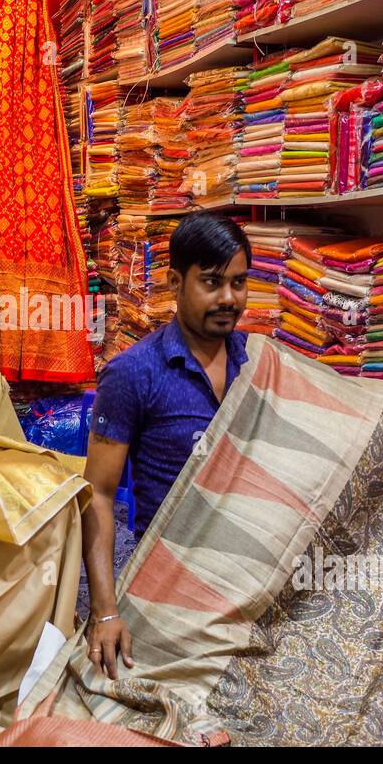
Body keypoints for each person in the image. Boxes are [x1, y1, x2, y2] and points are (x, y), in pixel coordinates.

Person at [83, 212, 250, 678]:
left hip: (250, 576)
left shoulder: (257, 363)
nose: (228, 299)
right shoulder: (134, 374)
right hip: (168, 578)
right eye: (212, 282)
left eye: (239, 283)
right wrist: (106, 613)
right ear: (175, 282)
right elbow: (96, 493)